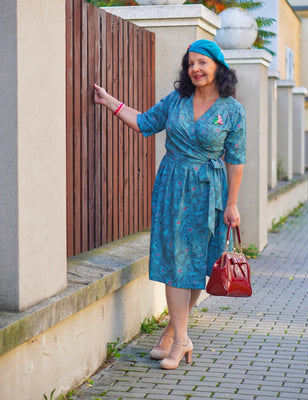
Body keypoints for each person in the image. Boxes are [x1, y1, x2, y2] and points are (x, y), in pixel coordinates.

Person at [94, 39, 246, 370]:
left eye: (203, 62)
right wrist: (110, 102)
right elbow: (145, 123)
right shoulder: (176, 101)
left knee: (194, 267)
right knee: (175, 265)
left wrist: (232, 204)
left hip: (210, 194)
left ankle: (174, 332)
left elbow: (235, 160)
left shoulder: (233, 110)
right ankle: (180, 340)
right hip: (172, 188)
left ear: (218, 66)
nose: (196, 68)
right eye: (191, 63)